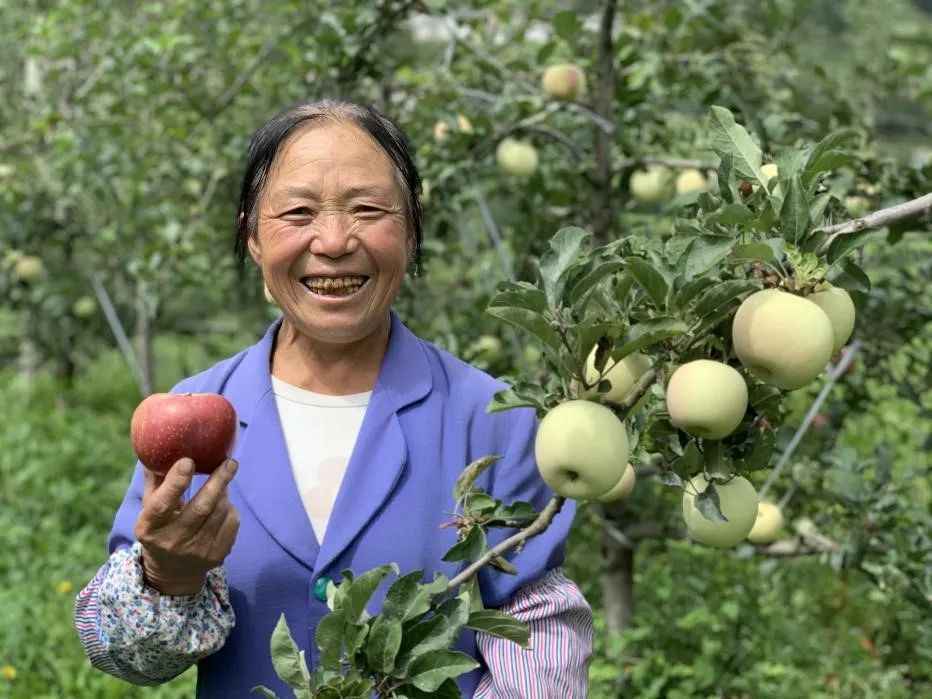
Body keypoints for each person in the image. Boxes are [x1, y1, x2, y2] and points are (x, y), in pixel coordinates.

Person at [74, 99, 592, 697]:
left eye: (368, 210)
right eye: (298, 212)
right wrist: (166, 576)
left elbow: (539, 637)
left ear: (412, 229)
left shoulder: (494, 419)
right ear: (253, 239)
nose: (334, 241)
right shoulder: (195, 414)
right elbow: (117, 651)